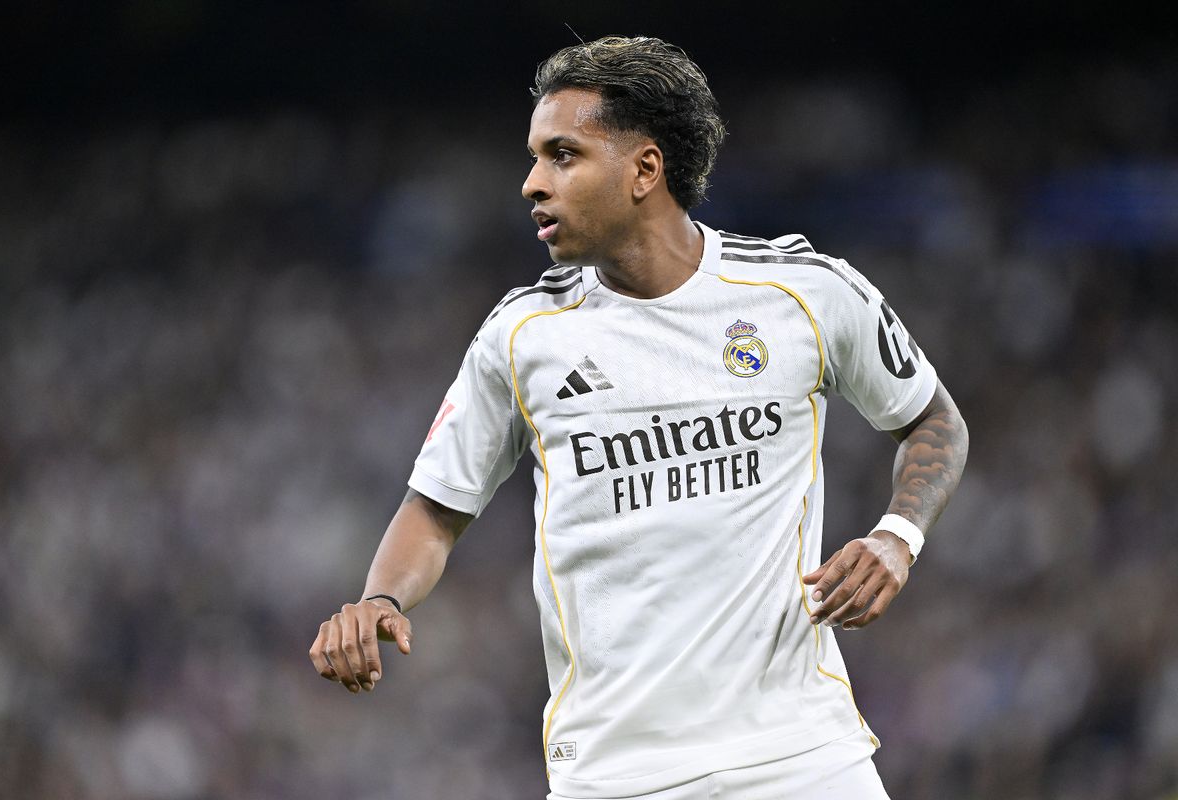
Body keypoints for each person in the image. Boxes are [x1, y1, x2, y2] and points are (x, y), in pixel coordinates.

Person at [309, 35, 968, 800]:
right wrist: (381, 599)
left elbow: (934, 420)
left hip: (803, 759)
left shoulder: (805, 293)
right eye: (534, 158)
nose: (531, 183)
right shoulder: (521, 336)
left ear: (645, 170)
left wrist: (897, 536)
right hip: (614, 776)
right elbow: (433, 509)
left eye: (562, 155)